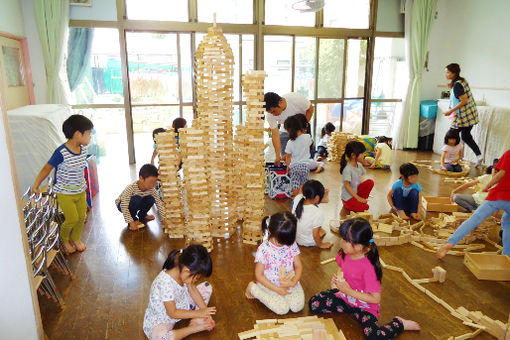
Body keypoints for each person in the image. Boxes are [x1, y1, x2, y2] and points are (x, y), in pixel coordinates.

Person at [308, 218, 420, 339]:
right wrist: (337, 282)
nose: (341, 242)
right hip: (345, 298)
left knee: (373, 337)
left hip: (365, 308)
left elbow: (376, 299)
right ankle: (346, 306)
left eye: (346, 240)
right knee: (314, 304)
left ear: (359, 246)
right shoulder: (345, 253)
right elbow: (341, 267)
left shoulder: (368, 269)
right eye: (343, 238)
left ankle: (399, 323)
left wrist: (348, 291)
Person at [32, 114, 94, 254]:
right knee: (71, 219)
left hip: (80, 190)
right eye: (89, 133)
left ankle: (76, 238)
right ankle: (64, 239)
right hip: (65, 193)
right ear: (78, 134)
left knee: (81, 217)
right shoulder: (61, 152)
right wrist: (36, 185)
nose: (90, 137)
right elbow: (47, 169)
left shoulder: (83, 149)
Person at [437, 150, 510, 258]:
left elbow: (501, 173)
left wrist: (488, 186)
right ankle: (507, 255)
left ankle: (450, 243)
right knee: (507, 224)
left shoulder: (508, 153)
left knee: (475, 219)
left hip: (499, 195)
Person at [143, 245, 215, 340]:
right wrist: (198, 313)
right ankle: (193, 328)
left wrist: (206, 313)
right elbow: (172, 313)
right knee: (161, 338)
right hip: (164, 318)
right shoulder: (165, 283)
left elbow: (192, 289)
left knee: (206, 286)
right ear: (187, 271)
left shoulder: (184, 273)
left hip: (181, 304)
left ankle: (196, 318)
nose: (196, 281)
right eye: (197, 278)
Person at [245, 212, 305, 315]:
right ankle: (252, 288)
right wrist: (277, 289)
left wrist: (293, 281)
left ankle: (283, 293)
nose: (283, 244)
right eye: (280, 241)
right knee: (282, 309)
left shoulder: (291, 243)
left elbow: (299, 266)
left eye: (286, 241)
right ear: (269, 231)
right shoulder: (264, 250)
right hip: (269, 285)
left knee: (297, 306)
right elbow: (259, 275)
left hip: (289, 282)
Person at [443, 63, 483, 166]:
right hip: (470, 116)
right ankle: (479, 156)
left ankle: (448, 160)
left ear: (454, 73)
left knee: (450, 137)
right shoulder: (461, 81)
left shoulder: (457, 85)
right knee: (466, 136)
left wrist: (450, 111)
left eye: (448, 72)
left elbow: (464, 100)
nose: (446, 74)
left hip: (463, 117)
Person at [264, 92, 314, 166]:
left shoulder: (296, 99)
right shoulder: (270, 115)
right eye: (270, 113)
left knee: (301, 158)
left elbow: (310, 108)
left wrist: (302, 129)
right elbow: (275, 134)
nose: (273, 114)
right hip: (285, 130)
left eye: (274, 111)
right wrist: (277, 157)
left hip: (302, 128)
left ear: (280, 103)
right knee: (286, 160)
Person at [116, 164, 167, 231]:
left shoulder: (152, 189)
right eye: (151, 182)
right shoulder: (131, 188)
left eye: (154, 182)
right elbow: (124, 206)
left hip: (138, 202)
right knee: (136, 199)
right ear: (141, 178)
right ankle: (133, 218)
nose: (153, 185)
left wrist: (164, 219)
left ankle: (142, 215)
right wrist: (131, 222)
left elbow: (159, 204)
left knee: (151, 199)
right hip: (123, 205)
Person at [283, 116, 323, 197]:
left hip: (294, 167)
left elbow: (288, 157)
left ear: (290, 130)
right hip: (305, 166)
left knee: (295, 185)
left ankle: (295, 199)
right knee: (304, 184)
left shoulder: (290, 142)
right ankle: (303, 198)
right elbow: (310, 144)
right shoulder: (307, 137)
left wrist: (287, 166)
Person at [292, 180, 332, 249]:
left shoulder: (298, 199)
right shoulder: (317, 212)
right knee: (322, 232)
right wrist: (321, 245)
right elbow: (315, 235)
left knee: (316, 227)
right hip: (309, 242)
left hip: (297, 239)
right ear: (316, 198)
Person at [340, 141, 374, 218]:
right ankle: (349, 204)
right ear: (353, 155)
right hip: (348, 197)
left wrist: (365, 163)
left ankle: (360, 201)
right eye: (362, 153)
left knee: (370, 182)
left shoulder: (359, 165)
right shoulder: (347, 169)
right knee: (365, 207)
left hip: (355, 192)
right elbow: (347, 186)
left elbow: (358, 179)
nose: (364, 155)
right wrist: (358, 198)